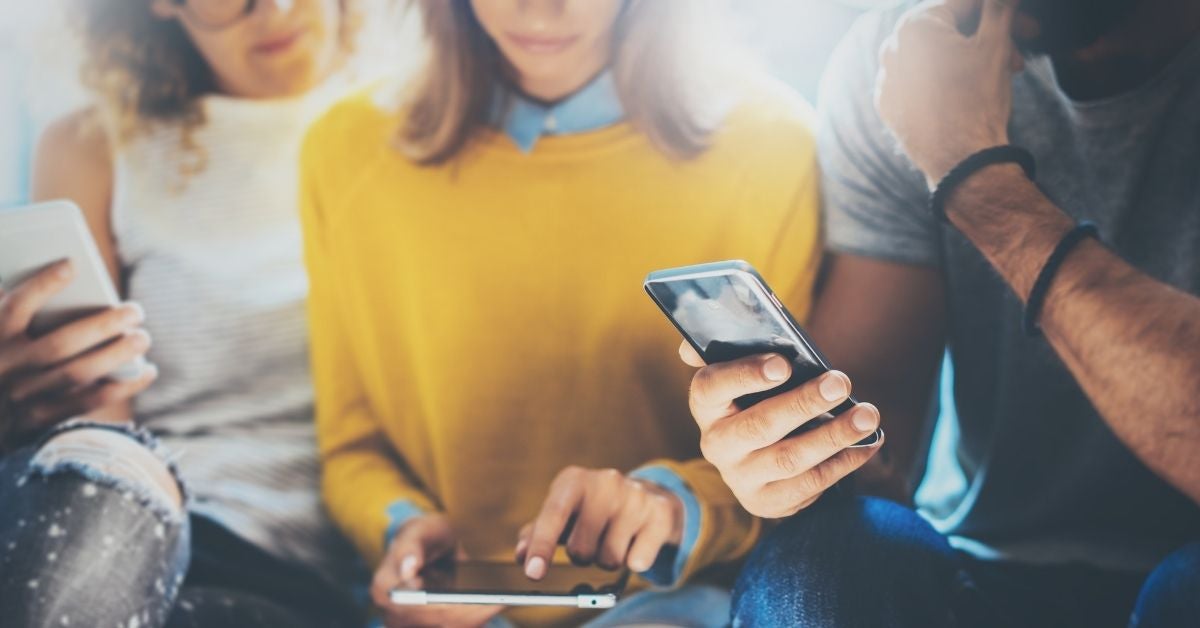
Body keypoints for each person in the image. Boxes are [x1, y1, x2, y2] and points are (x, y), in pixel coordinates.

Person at [298, 0, 835, 625]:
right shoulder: (344, 151)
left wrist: (669, 506)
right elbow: (352, 446)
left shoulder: (774, 147)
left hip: (678, 604)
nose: (539, 11)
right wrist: (400, 529)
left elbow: (798, 453)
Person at [678, 0, 1200, 625]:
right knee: (824, 561)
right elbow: (880, 445)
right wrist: (792, 459)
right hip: (988, 560)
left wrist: (974, 176)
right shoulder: (906, 54)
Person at [0, 1, 369, 626]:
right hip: (121, 505)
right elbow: (94, 424)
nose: (274, 9)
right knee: (95, 486)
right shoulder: (94, 148)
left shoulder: (412, 132)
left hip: (288, 568)